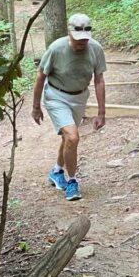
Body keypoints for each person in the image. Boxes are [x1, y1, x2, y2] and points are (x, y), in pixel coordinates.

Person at [32, 12, 107, 200]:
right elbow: (41, 75)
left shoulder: (96, 49)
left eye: (85, 39)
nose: (82, 42)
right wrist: (36, 106)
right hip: (56, 96)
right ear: (70, 33)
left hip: (79, 97)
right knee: (73, 137)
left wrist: (101, 112)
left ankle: (57, 171)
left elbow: (99, 80)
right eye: (78, 38)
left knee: (68, 138)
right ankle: (72, 181)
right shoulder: (56, 49)